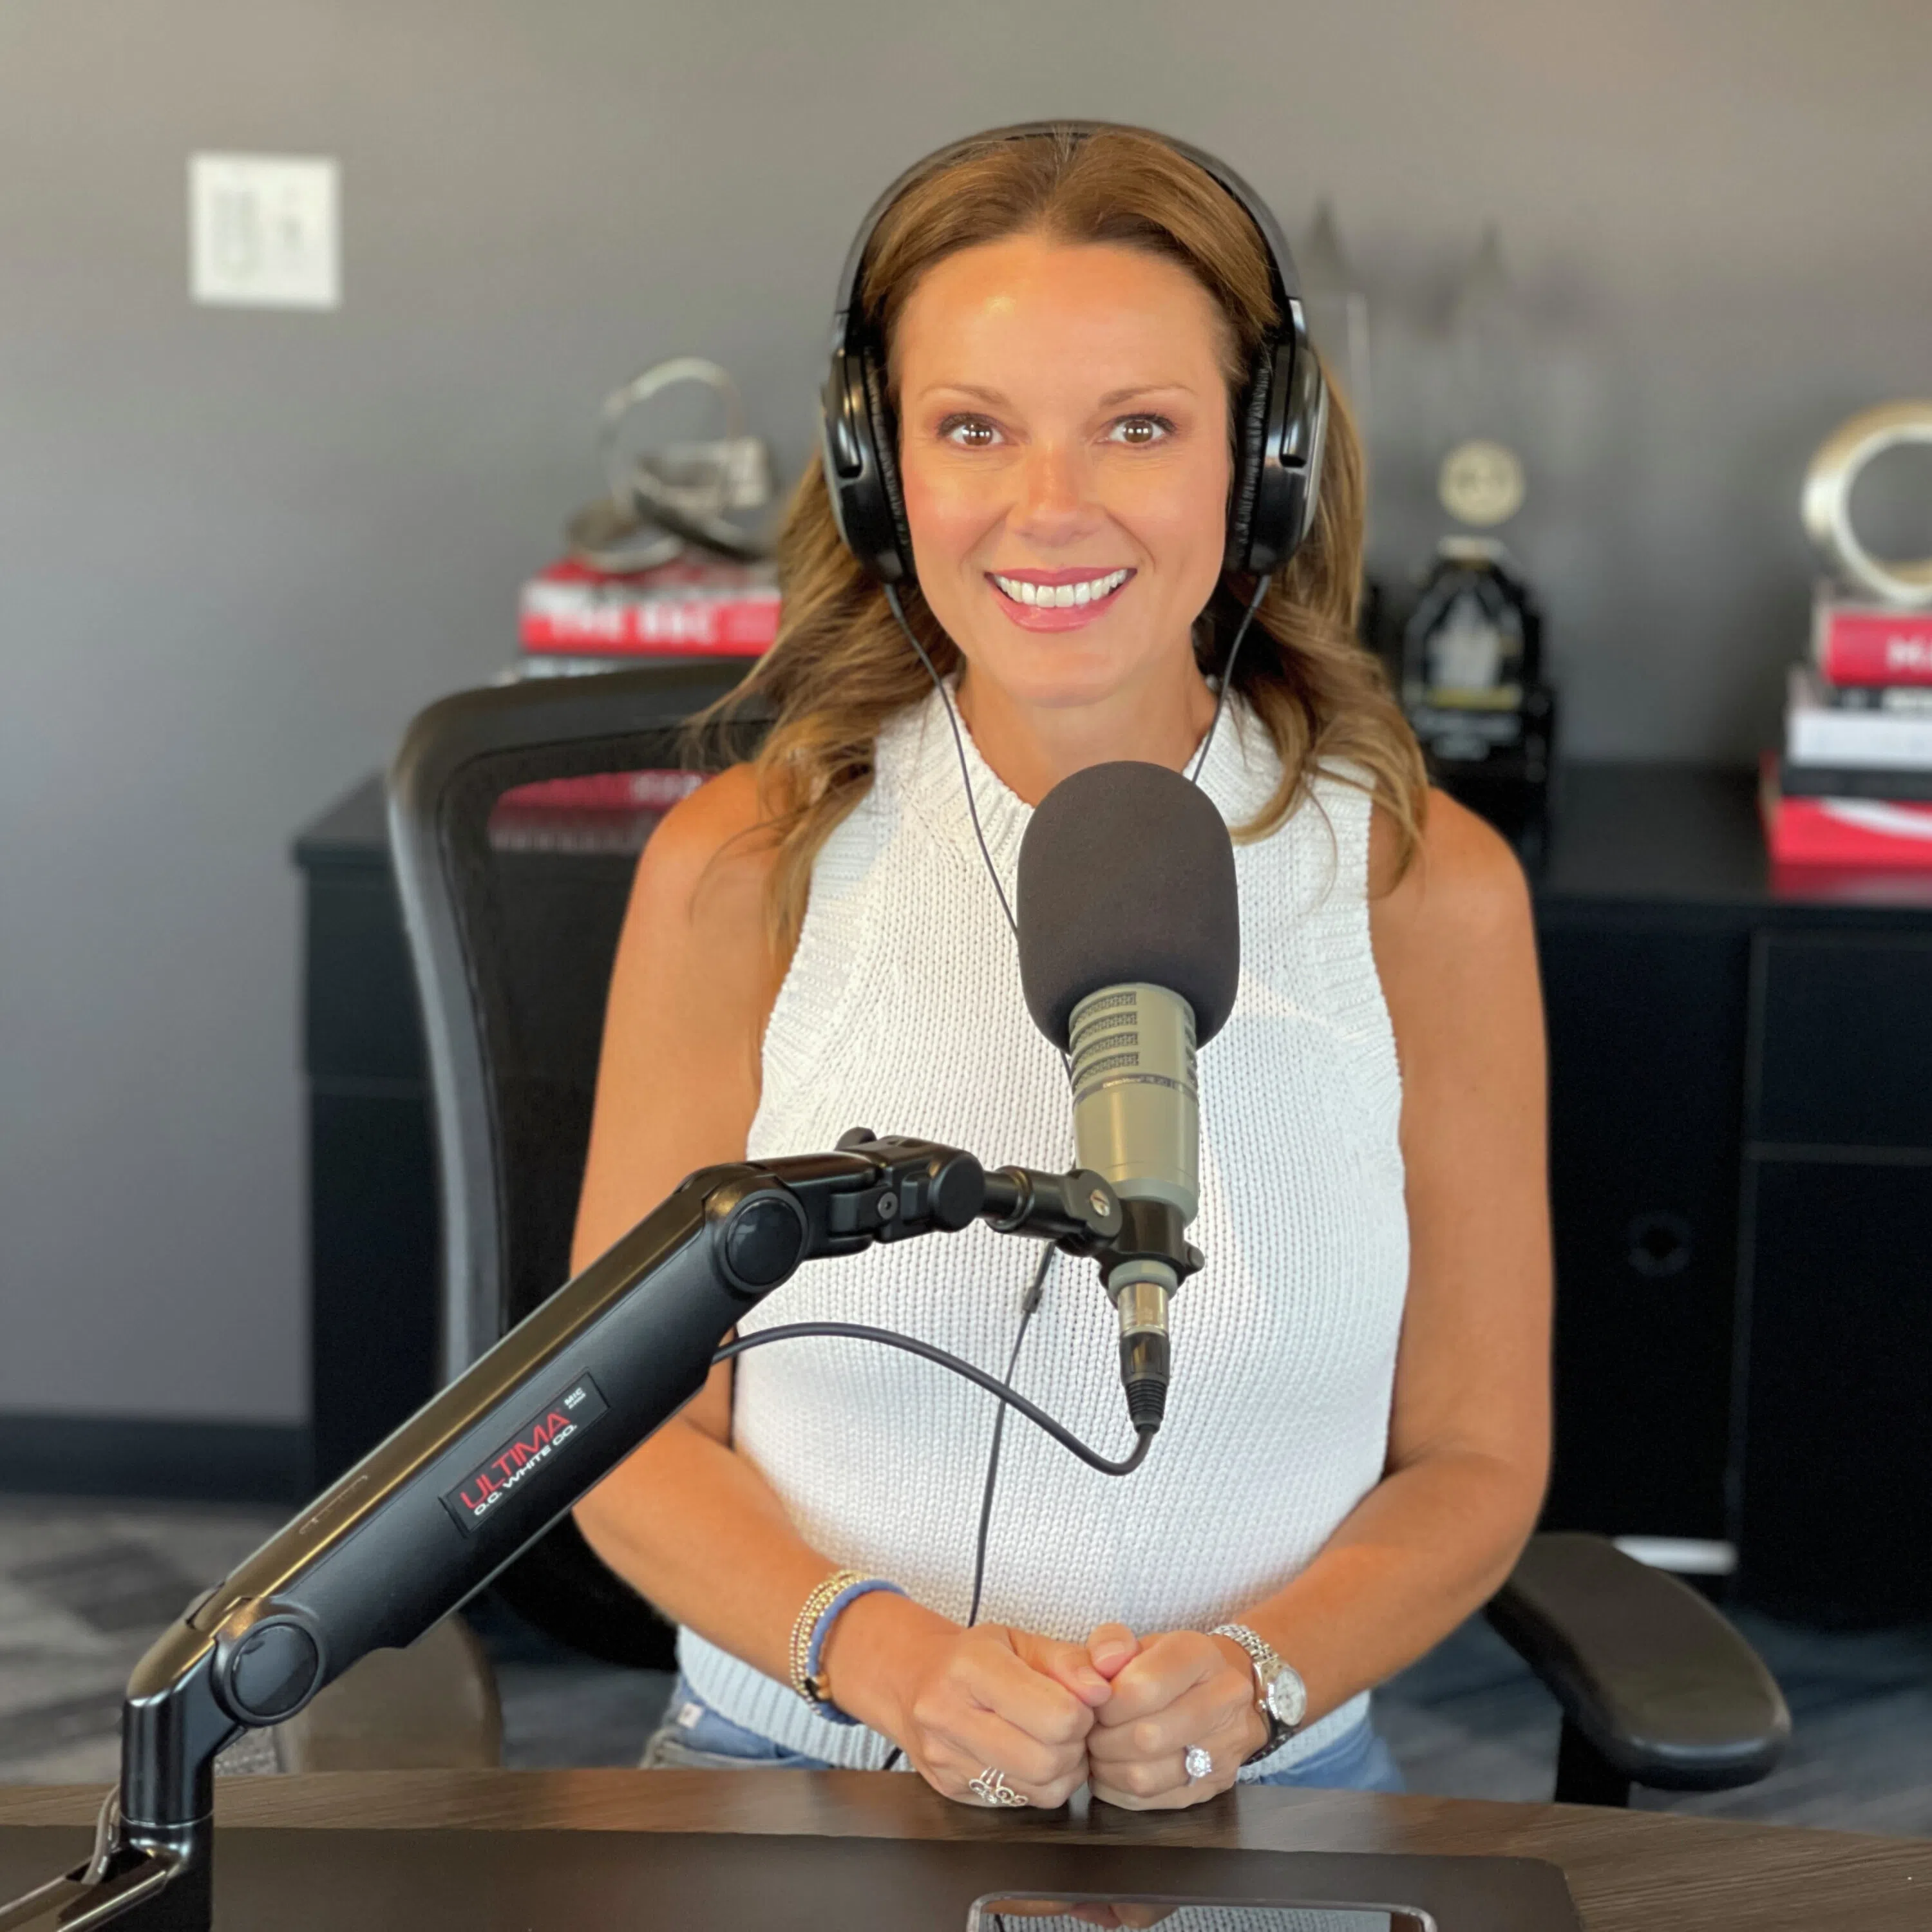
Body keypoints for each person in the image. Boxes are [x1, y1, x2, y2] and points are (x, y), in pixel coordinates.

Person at [571, 123, 1549, 1811]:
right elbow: (615, 1430)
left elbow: (1475, 1455)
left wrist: (1259, 1676)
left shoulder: (1421, 887)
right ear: (880, 468)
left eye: (1140, 427)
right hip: (802, 1761)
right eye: (973, 429)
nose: (1051, 509)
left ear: (1263, 462)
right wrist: (886, 1660)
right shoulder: (745, 868)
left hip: (1269, 1782)